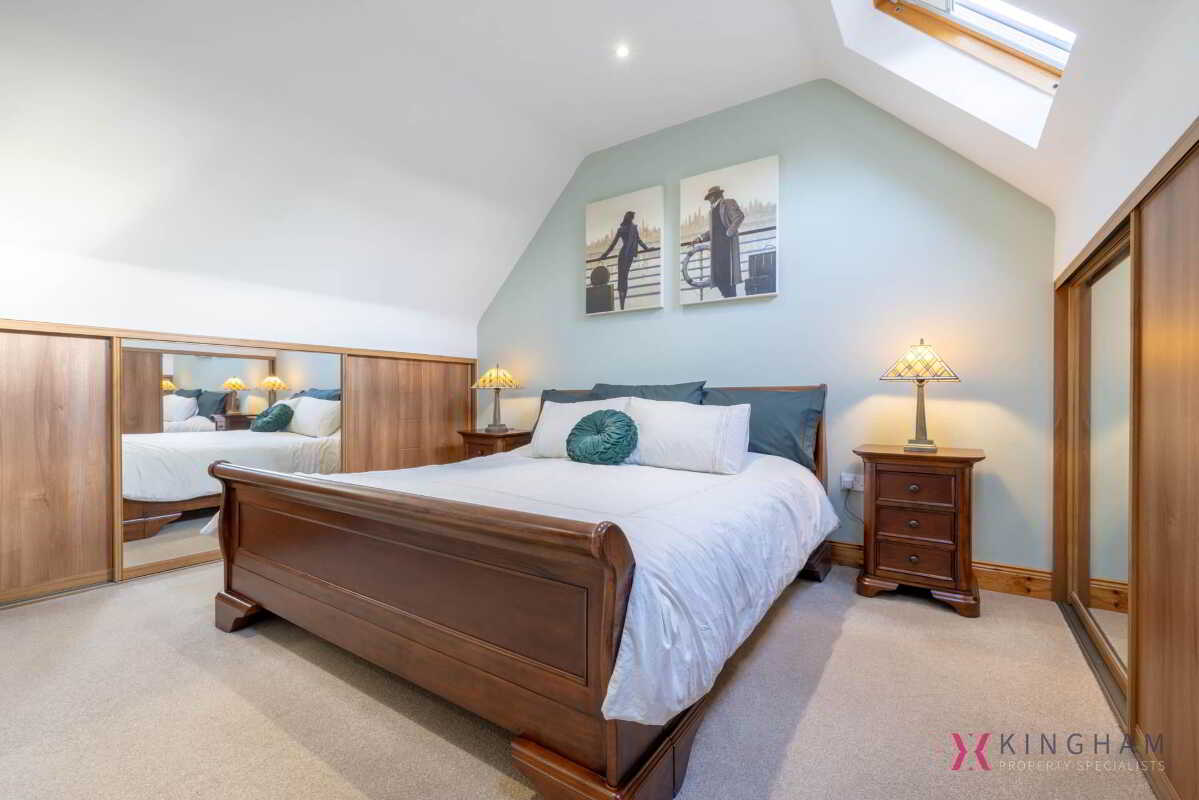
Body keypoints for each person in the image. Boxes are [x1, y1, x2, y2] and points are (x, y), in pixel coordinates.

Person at [688, 185, 744, 298]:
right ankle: (728, 298)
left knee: (728, 278)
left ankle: (731, 299)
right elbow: (713, 231)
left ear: (714, 196)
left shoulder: (728, 203)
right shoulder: (712, 211)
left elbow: (739, 217)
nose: (709, 200)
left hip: (727, 247)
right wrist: (700, 238)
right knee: (718, 278)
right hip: (717, 249)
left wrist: (729, 232)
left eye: (709, 197)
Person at [598, 210, 652, 310]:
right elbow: (614, 244)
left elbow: (638, 240)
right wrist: (604, 255)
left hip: (626, 256)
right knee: (623, 279)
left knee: (623, 279)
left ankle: (622, 305)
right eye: (631, 218)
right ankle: (622, 305)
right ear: (629, 218)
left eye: (632, 218)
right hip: (625, 256)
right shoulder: (625, 229)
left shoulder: (629, 228)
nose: (632, 219)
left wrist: (647, 248)